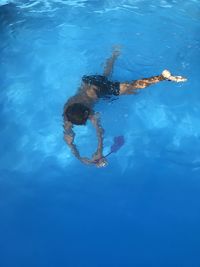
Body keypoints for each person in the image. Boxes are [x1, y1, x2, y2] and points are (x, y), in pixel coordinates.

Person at [63, 47, 187, 167]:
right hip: (89, 81)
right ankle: (114, 54)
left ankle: (162, 77)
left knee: (132, 88)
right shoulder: (69, 111)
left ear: (86, 112)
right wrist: (80, 158)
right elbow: (69, 138)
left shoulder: (85, 112)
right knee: (106, 75)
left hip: (99, 89)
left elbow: (99, 131)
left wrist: (99, 150)